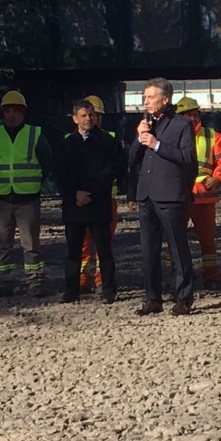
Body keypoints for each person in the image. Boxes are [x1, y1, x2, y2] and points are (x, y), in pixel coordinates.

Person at [128, 77, 197, 316]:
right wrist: (140, 137)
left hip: (170, 196)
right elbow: (132, 159)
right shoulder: (145, 124)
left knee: (178, 248)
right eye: (144, 98)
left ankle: (184, 298)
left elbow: (188, 157)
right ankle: (152, 298)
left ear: (165, 99)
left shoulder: (181, 125)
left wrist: (157, 145)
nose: (145, 102)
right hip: (146, 195)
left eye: (150, 97)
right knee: (149, 250)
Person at [0, 90, 54, 297]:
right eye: (7, 110)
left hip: (27, 198)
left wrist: (33, 183)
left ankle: (35, 282)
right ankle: (4, 283)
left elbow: (46, 162)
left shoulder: (35, 134)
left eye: (15, 110)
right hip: (1, 198)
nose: (11, 114)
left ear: (23, 113)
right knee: (2, 243)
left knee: (31, 244)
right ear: (3, 113)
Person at [59, 99, 122, 304]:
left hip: (98, 203)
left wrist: (91, 193)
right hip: (74, 205)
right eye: (84, 115)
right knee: (73, 251)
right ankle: (71, 290)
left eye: (91, 115)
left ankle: (108, 289)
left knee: (104, 249)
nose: (88, 119)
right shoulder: (67, 143)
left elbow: (112, 169)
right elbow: (61, 173)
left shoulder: (107, 141)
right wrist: (75, 194)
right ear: (75, 118)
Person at [175, 96, 221, 291]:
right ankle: (177, 277)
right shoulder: (171, 136)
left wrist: (218, 177)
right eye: (186, 115)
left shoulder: (212, 136)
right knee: (175, 239)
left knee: (207, 240)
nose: (191, 119)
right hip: (178, 196)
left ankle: (211, 277)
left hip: (203, 196)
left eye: (193, 114)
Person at [76, 95, 122, 294]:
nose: (94, 119)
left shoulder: (110, 139)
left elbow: (118, 168)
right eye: (90, 115)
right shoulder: (73, 140)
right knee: (82, 245)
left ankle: (102, 281)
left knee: (104, 245)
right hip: (80, 201)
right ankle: (82, 281)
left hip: (105, 200)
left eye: (97, 115)